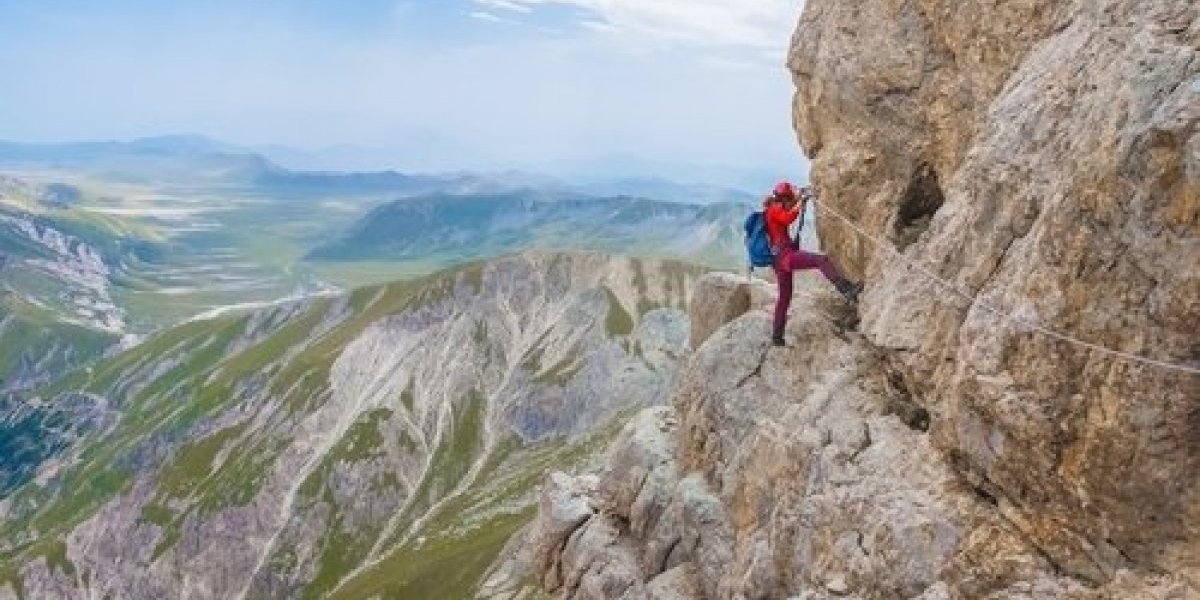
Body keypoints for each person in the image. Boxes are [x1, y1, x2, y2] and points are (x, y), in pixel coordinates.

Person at [766, 181, 862, 346]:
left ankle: (777, 336)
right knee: (820, 260)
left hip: (778, 260)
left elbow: (789, 208)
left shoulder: (775, 207)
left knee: (784, 298)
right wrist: (801, 203)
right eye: (790, 198)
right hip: (785, 257)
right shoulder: (775, 210)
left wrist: (800, 197)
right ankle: (846, 290)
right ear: (784, 198)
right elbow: (788, 218)